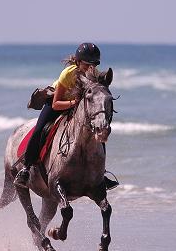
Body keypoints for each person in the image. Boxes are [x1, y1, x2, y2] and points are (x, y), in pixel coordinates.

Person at [14, 42, 118, 190]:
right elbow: (56, 104)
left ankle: (100, 174)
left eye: (93, 64)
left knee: (98, 133)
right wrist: (73, 103)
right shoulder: (68, 74)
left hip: (78, 108)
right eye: (86, 64)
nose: (90, 68)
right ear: (77, 62)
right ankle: (26, 168)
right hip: (57, 104)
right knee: (39, 129)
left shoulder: (93, 74)